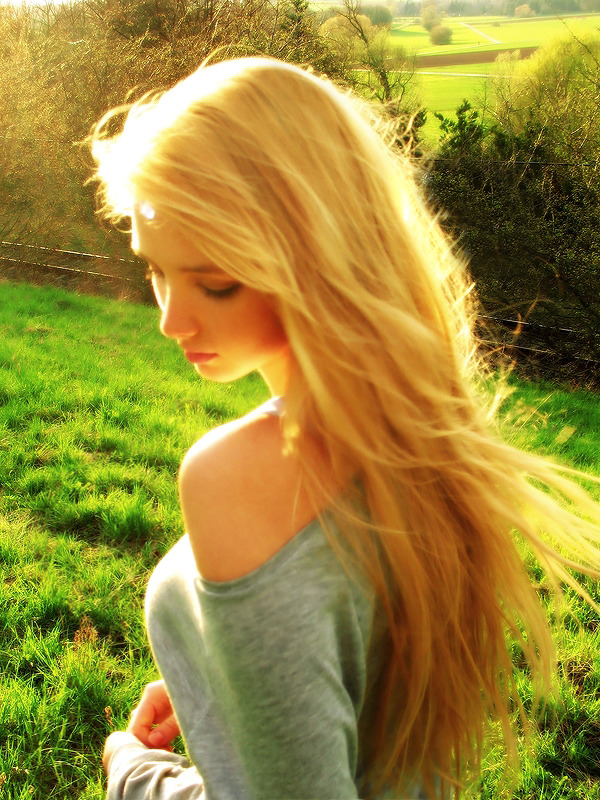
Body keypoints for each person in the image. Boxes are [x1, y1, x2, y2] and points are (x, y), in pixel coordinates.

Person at [91, 57, 600, 800]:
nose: (171, 320)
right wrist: (224, 676)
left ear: (318, 255)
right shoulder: (417, 431)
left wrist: (135, 772)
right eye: (155, 272)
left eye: (215, 283)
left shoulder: (234, 477)